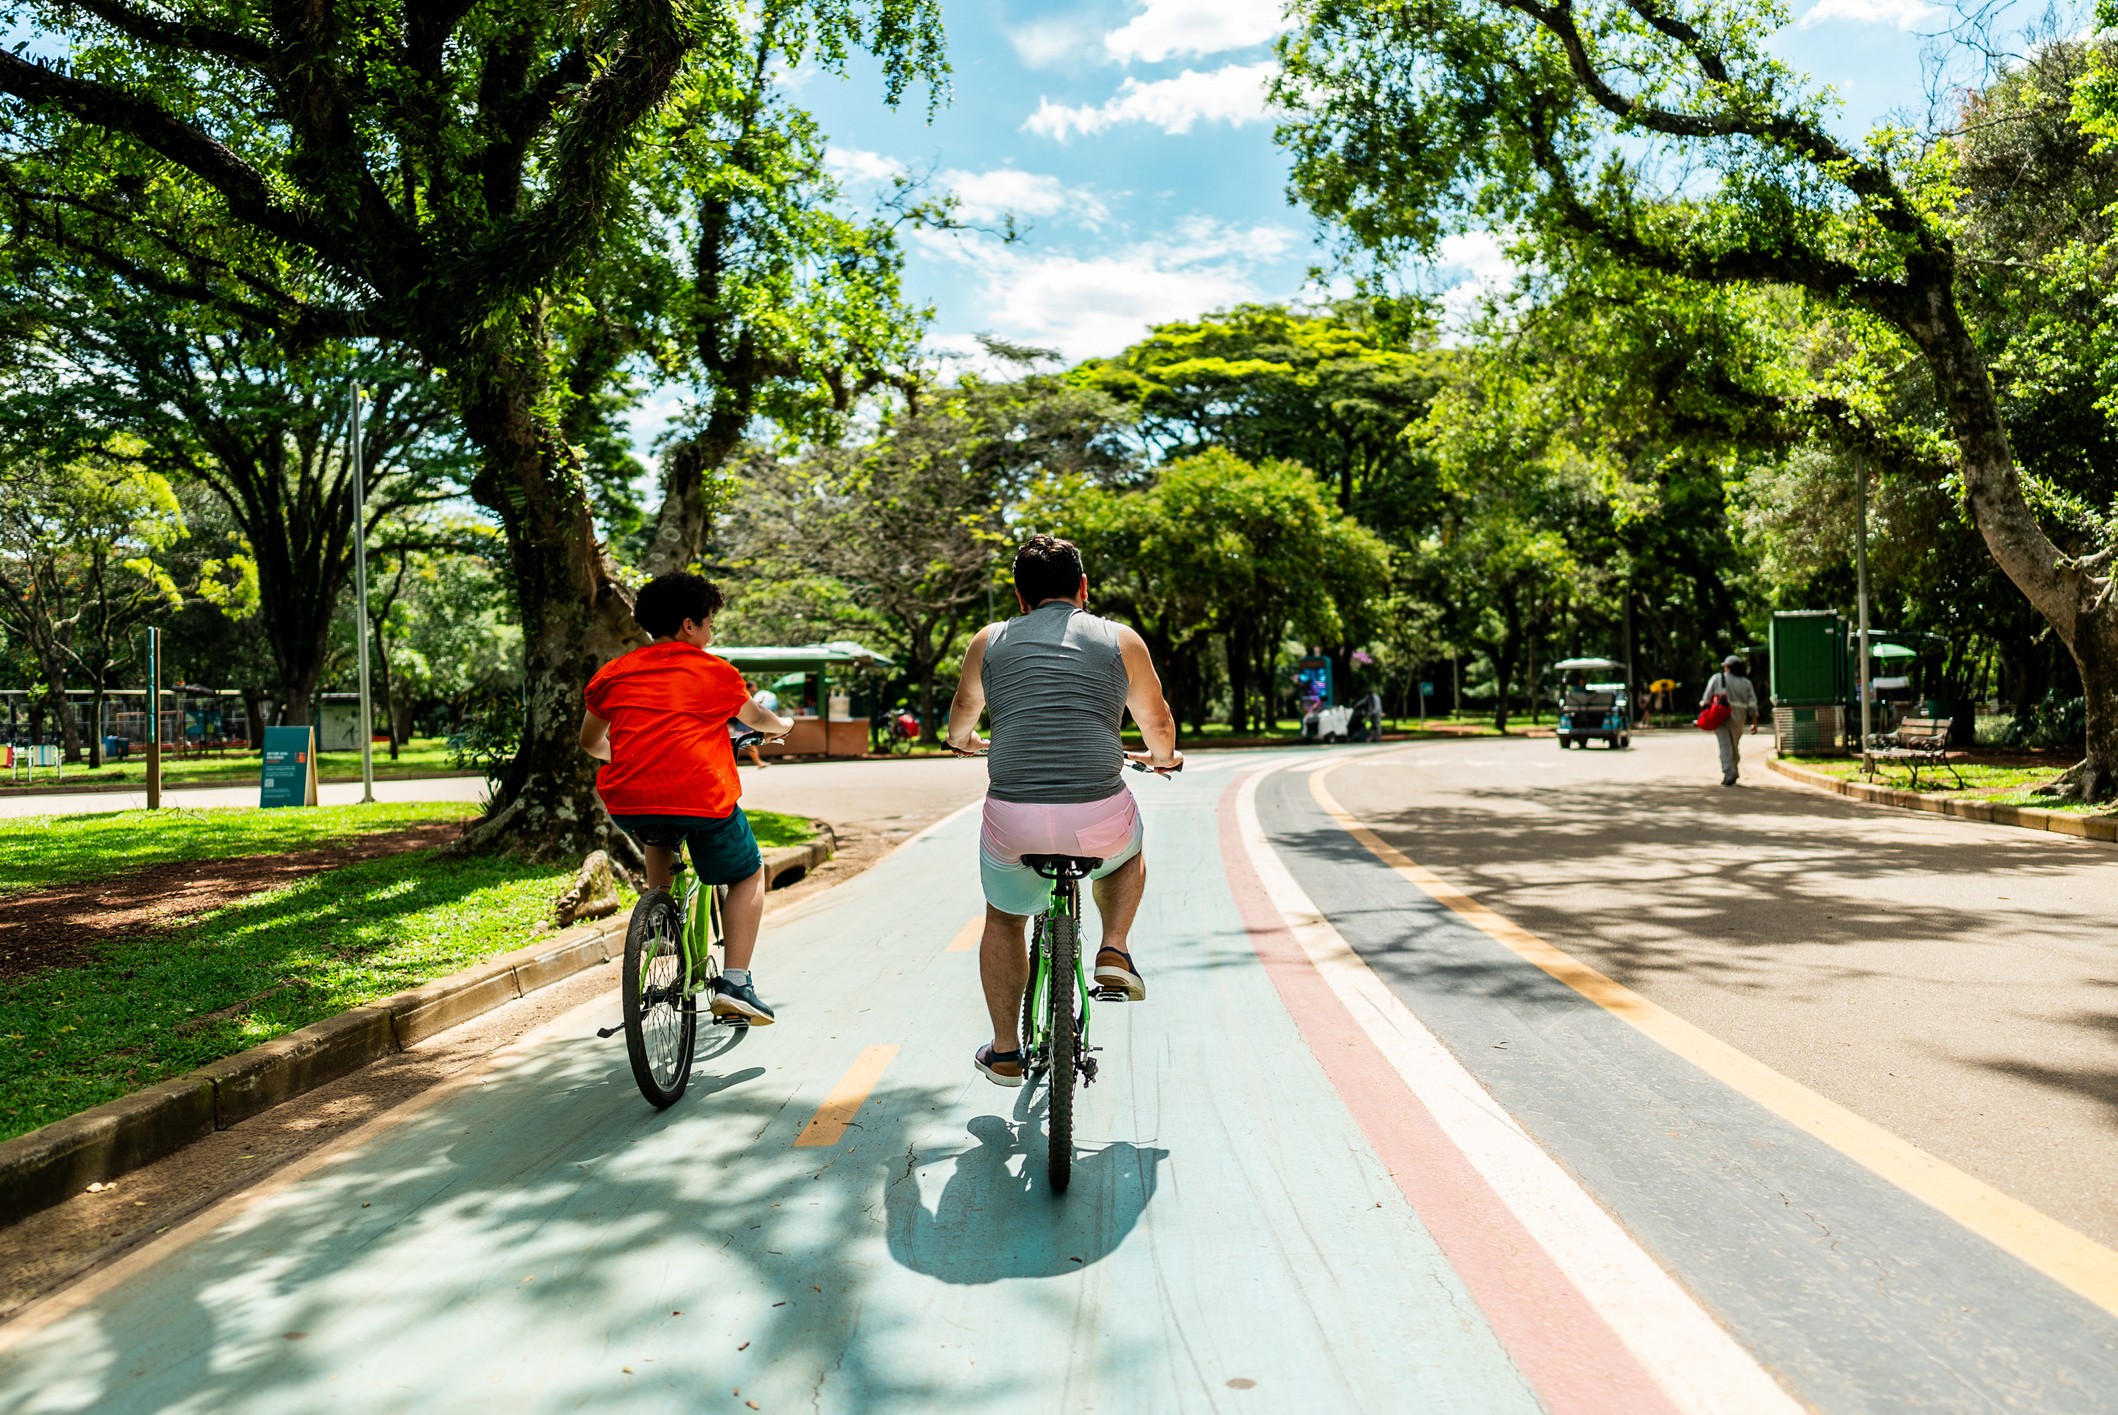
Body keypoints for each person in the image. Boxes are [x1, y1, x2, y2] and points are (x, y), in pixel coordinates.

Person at [945, 534, 1182, 1086]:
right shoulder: (1121, 639)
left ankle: (1006, 1051)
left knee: (1003, 918)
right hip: (1097, 816)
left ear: (1020, 596)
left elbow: (963, 713)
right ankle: (1114, 950)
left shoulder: (989, 640)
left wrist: (962, 742)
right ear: (1083, 587)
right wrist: (1163, 758)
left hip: (1014, 820)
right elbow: (1157, 722)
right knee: (1127, 854)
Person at [579, 571, 793, 1024]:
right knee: (748, 873)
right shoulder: (715, 671)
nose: (711, 634)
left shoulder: (613, 673)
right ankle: (735, 982)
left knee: (656, 830)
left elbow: (590, 742)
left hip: (630, 798)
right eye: (709, 623)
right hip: (701, 798)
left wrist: (628, 756)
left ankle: (660, 920)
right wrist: (783, 727)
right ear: (689, 625)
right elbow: (757, 718)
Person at [1701, 653, 1761, 786]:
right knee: (1734, 744)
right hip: (1739, 717)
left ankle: (1729, 772)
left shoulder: (1717, 678)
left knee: (1724, 745)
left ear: (1727, 667)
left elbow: (1706, 699)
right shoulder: (1746, 683)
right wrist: (1754, 723)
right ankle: (1733, 769)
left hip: (1720, 716)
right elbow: (1752, 703)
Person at [733, 686, 779, 768]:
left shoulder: (748, 698)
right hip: (742, 728)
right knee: (736, 748)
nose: (754, 691)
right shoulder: (744, 698)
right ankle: (731, 766)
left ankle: (759, 763)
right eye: (752, 689)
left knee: (750, 746)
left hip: (745, 728)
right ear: (748, 688)